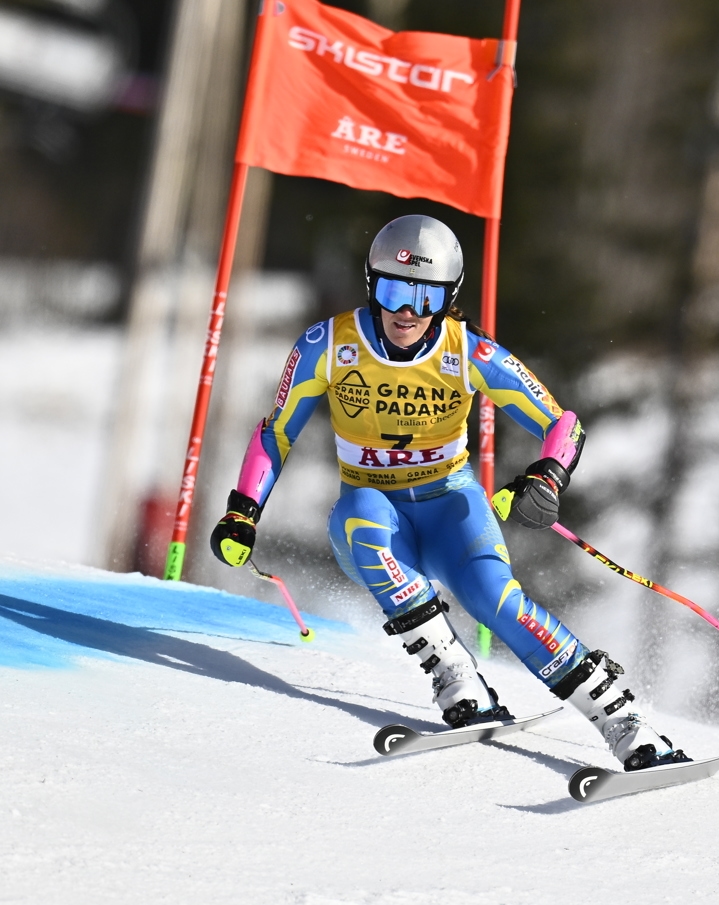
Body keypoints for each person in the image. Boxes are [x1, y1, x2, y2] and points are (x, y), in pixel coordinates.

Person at [209, 214, 687, 772]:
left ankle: (625, 723)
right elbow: (277, 430)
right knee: (359, 518)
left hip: (450, 507)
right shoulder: (327, 345)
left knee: (495, 600)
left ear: (448, 298)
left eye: (425, 297)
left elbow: (564, 424)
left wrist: (546, 476)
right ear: (371, 285)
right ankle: (456, 676)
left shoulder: (470, 353)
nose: (406, 312)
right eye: (392, 290)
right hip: (376, 512)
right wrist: (243, 511)